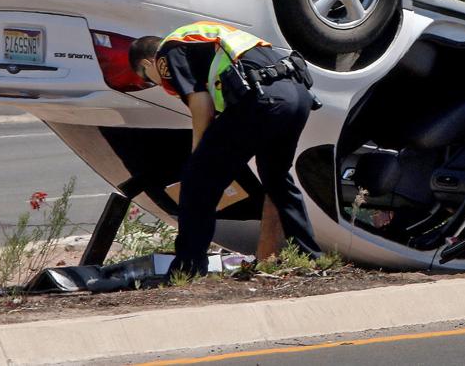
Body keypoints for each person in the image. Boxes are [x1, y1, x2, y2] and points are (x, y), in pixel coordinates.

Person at [128, 21, 321, 275]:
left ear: (147, 64)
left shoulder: (168, 51)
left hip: (263, 99)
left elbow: (201, 105)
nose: (156, 84)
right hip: (296, 97)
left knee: (197, 180)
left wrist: (198, 156)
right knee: (276, 179)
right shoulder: (202, 39)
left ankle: (188, 267)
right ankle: (310, 256)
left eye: (147, 81)